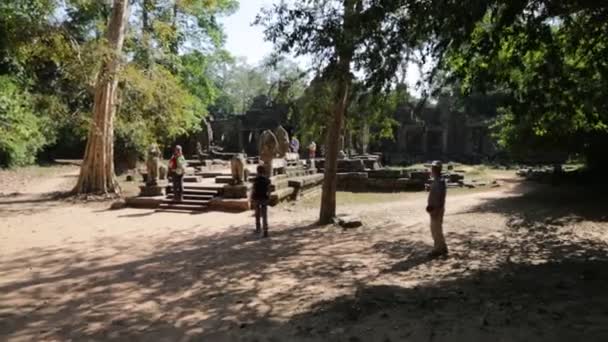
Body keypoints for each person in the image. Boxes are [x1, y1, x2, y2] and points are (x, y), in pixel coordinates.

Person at [426, 160, 448, 257]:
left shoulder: (440, 181)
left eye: (433, 168)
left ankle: (438, 249)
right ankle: (442, 247)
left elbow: (440, 198)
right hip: (434, 208)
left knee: (436, 230)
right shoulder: (437, 180)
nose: (432, 170)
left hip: (436, 209)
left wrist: (436, 210)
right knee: (436, 229)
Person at [252, 165, 271, 238]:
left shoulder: (255, 180)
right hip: (264, 198)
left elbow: (253, 189)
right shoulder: (267, 180)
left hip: (256, 198)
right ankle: (265, 230)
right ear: (264, 171)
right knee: (264, 215)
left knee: (257, 214)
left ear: (257, 171)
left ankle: (258, 228)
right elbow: (269, 190)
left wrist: (252, 198)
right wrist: (269, 197)